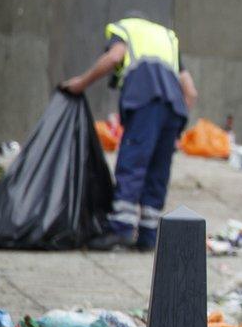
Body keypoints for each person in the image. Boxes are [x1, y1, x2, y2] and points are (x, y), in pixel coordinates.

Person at [61, 14, 197, 251]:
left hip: (147, 101)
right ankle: (148, 236)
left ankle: (121, 230)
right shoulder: (168, 38)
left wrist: (81, 83)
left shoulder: (124, 29)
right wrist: (177, 124)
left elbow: (115, 56)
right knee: (158, 171)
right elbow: (191, 92)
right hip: (174, 109)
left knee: (133, 162)